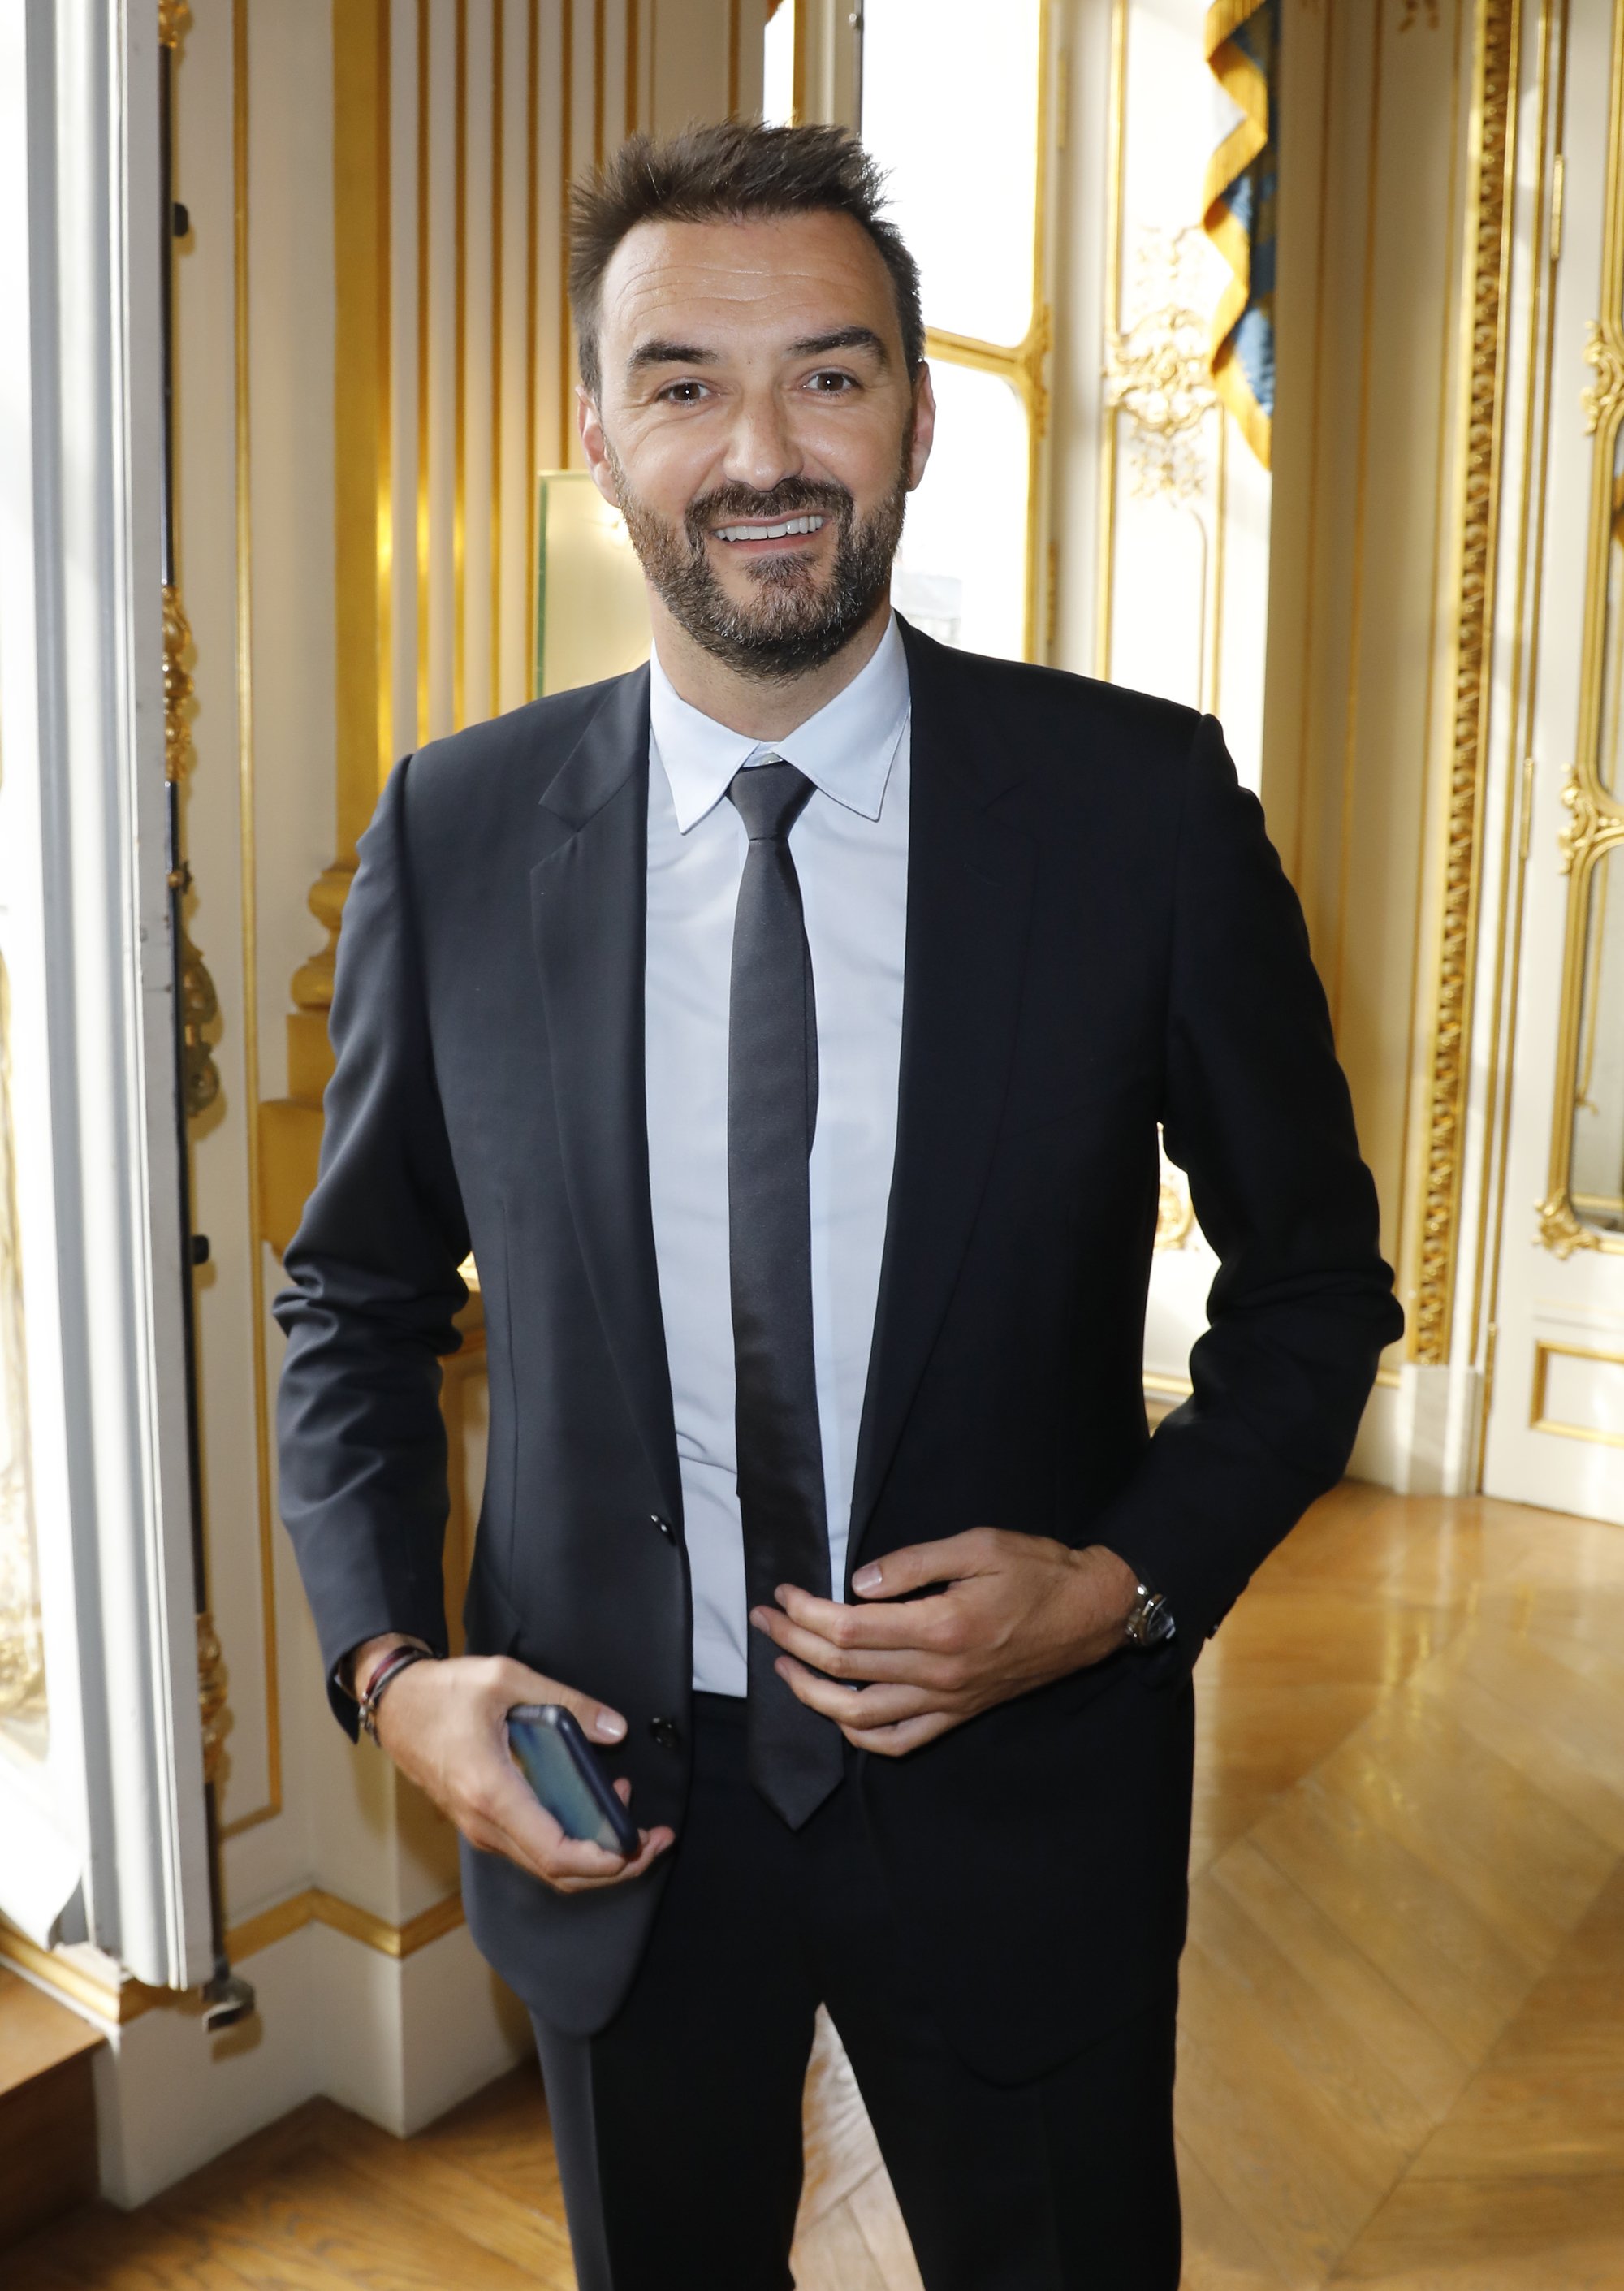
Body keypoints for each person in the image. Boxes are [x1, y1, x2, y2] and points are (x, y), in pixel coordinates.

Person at [276, 119, 1402, 2291]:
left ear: (917, 418)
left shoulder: (1140, 810)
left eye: (831, 373)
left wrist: (1121, 1591)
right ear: (596, 434)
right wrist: (394, 1671)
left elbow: (1315, 1293)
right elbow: (355, 1297)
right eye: (684, 383)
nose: (763, 452)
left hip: (1029, 1794)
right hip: (616, 1814)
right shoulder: (457, 830)